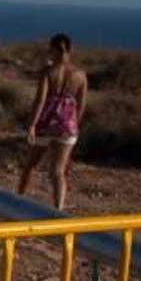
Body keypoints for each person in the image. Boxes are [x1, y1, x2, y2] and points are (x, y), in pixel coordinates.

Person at [17, 33, 87, 210]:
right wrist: (75, 124)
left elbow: (40, 100)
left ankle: (18, 201)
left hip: (46, 122)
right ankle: (58, 209)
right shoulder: (80, 75)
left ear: (54, 50)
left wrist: (32, 124)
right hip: (68, 126)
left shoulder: (48, 72)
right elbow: (81, 105)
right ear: (70, 50)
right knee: (58, 171)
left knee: (31, 165)